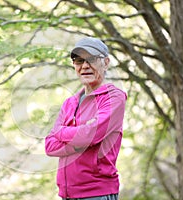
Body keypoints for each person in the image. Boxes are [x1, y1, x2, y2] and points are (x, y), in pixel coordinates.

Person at [45, 37, 127, 200]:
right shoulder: (70, 103)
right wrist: (78, 141)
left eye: (91, 59)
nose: (84, 66)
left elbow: (89, 135)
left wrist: (61, 132)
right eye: (79, 61)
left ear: (106, 62)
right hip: (67, 194)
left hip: (97, 193)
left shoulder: (114, 98)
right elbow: (49, 146)